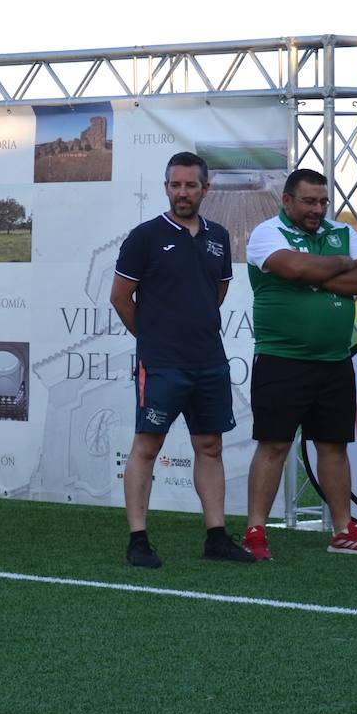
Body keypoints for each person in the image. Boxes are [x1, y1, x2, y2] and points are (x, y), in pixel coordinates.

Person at [110, 151, 252, 568]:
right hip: (162, 364)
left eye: (191, 185)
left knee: (210, 446)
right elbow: (121, 298)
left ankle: (216, 538)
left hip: (209, 362)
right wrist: (153, 339)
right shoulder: (145, 237)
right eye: (175, 185)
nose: (182, 192)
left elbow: (216, 294)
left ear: (205, 189)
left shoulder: (219, 237)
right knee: (147, 447)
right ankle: (138, 540)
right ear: (166, 187)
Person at [240, 169, 357, 560]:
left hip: (334, 361)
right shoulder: (268, 232)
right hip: (281, 359)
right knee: (274, 445)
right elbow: (295, 268)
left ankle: (343, 531)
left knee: (333, 446)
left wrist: (316, 274)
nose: (318, 209)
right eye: (309, 201)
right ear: (287, 201)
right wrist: (337, 265)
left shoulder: (342, 231)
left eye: (323, 202)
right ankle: (255, 532)